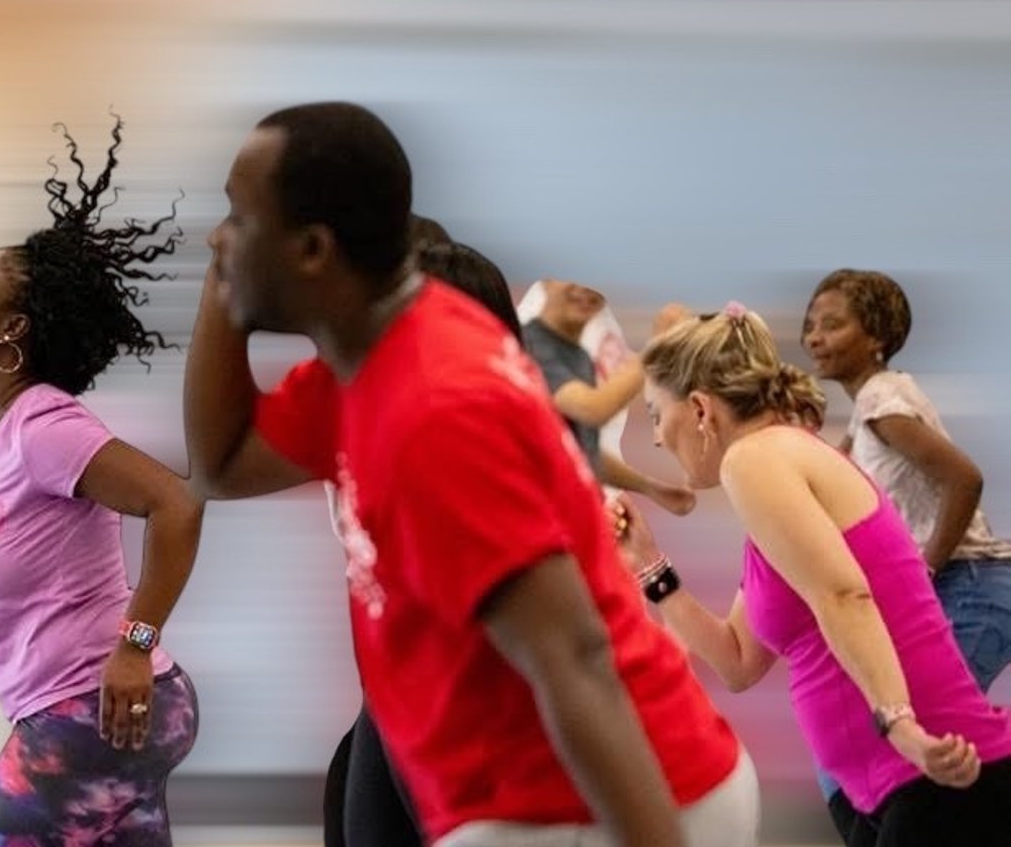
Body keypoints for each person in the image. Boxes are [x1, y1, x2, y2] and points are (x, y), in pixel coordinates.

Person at [186, 102, 755, 847]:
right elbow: (220, 464)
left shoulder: (436, 406)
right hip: (521, 788)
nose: (215, 237)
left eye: (238, 216)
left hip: (596, 805)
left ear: (314, 250)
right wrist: (229, 271)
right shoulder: (359, 367)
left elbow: (574, 656)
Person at [0, 120, 204, 846]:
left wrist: (135, 643)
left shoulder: (43, 424)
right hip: (105, 714)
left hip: (94, 707)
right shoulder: (2, 447)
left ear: (12, 328)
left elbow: (174, 502)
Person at [613, 303, 1011, 846]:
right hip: (892, 786)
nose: (658, 438)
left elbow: (844, 594)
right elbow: (738, 661)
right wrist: (649, 565)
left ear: (701, 409)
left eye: (657, 414)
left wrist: (901, 726)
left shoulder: (754, 459)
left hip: (936, 771)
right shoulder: (775, 481)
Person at [323, 235, 521, 847]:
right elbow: (219, 464)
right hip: (385, 715)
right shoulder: (371, 415)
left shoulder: (490, 449)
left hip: (464, 736)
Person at [522, 280, 698, 517]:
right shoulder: (530, 346)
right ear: (545, 282)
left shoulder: (579, 357)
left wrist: (652, 488)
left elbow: (584, 449)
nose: (584, 289)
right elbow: (591, 409)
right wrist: (658, 346)